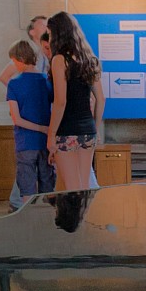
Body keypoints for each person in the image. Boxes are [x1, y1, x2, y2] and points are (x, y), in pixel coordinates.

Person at [44, 11, 103, 192]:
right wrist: (95, 128)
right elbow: (101, 99)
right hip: (88, 131)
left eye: (50, 33)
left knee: (71, 189)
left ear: (58, 34)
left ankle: (76, 213)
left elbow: (61, 101)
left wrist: (51, 135)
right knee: (84, 186)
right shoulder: (89, 59)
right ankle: (86, 212)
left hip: (67, 130)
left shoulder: (60, 59)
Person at [3, 38, 55, 201]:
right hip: (46, 142)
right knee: (48, 185)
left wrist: (40, 128)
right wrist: (45, 129)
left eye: (14, 61)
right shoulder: (46, 82)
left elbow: (17, 119)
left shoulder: (14, 84)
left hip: (25, 142)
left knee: (27, 189)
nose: (14, 65)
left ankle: (29, 215)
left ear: (21, 59)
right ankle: (48, 216)